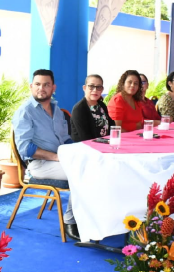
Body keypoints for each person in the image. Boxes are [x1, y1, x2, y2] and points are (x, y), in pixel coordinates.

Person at [12, 69, 79, 240]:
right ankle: (70, 221)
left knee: (90, 165)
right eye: (37, 84)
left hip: (59, 161)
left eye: (46, 85)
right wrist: (56, 157)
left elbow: (65, 139)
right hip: (38, 165)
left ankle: (89, 217)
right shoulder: (25, 111)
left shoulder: (57, 111)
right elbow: (25, 148)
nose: (41, 88)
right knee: (80, 173)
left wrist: (76, 152)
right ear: (31, 86)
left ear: (53, 87)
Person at [70, 74, 114, 142]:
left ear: (102, 90)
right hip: (86, 148)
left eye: (98, 87)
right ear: (84, 88)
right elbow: (86, 138)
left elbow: (111, 126)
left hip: (105, 144)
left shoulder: (102, 105)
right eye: (91, 86)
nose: (95, 90)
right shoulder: (79, 109)